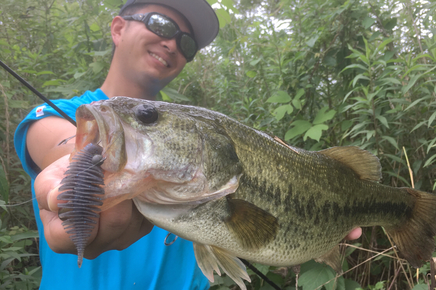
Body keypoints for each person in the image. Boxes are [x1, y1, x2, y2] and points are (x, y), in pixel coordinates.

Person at [14, 0, 361, 289]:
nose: (172, 44)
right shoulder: (57, 118)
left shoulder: (209, 131)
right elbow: (62, 147)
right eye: (162, 25)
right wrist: (82, 167)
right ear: (118, 28)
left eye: (187, 43)